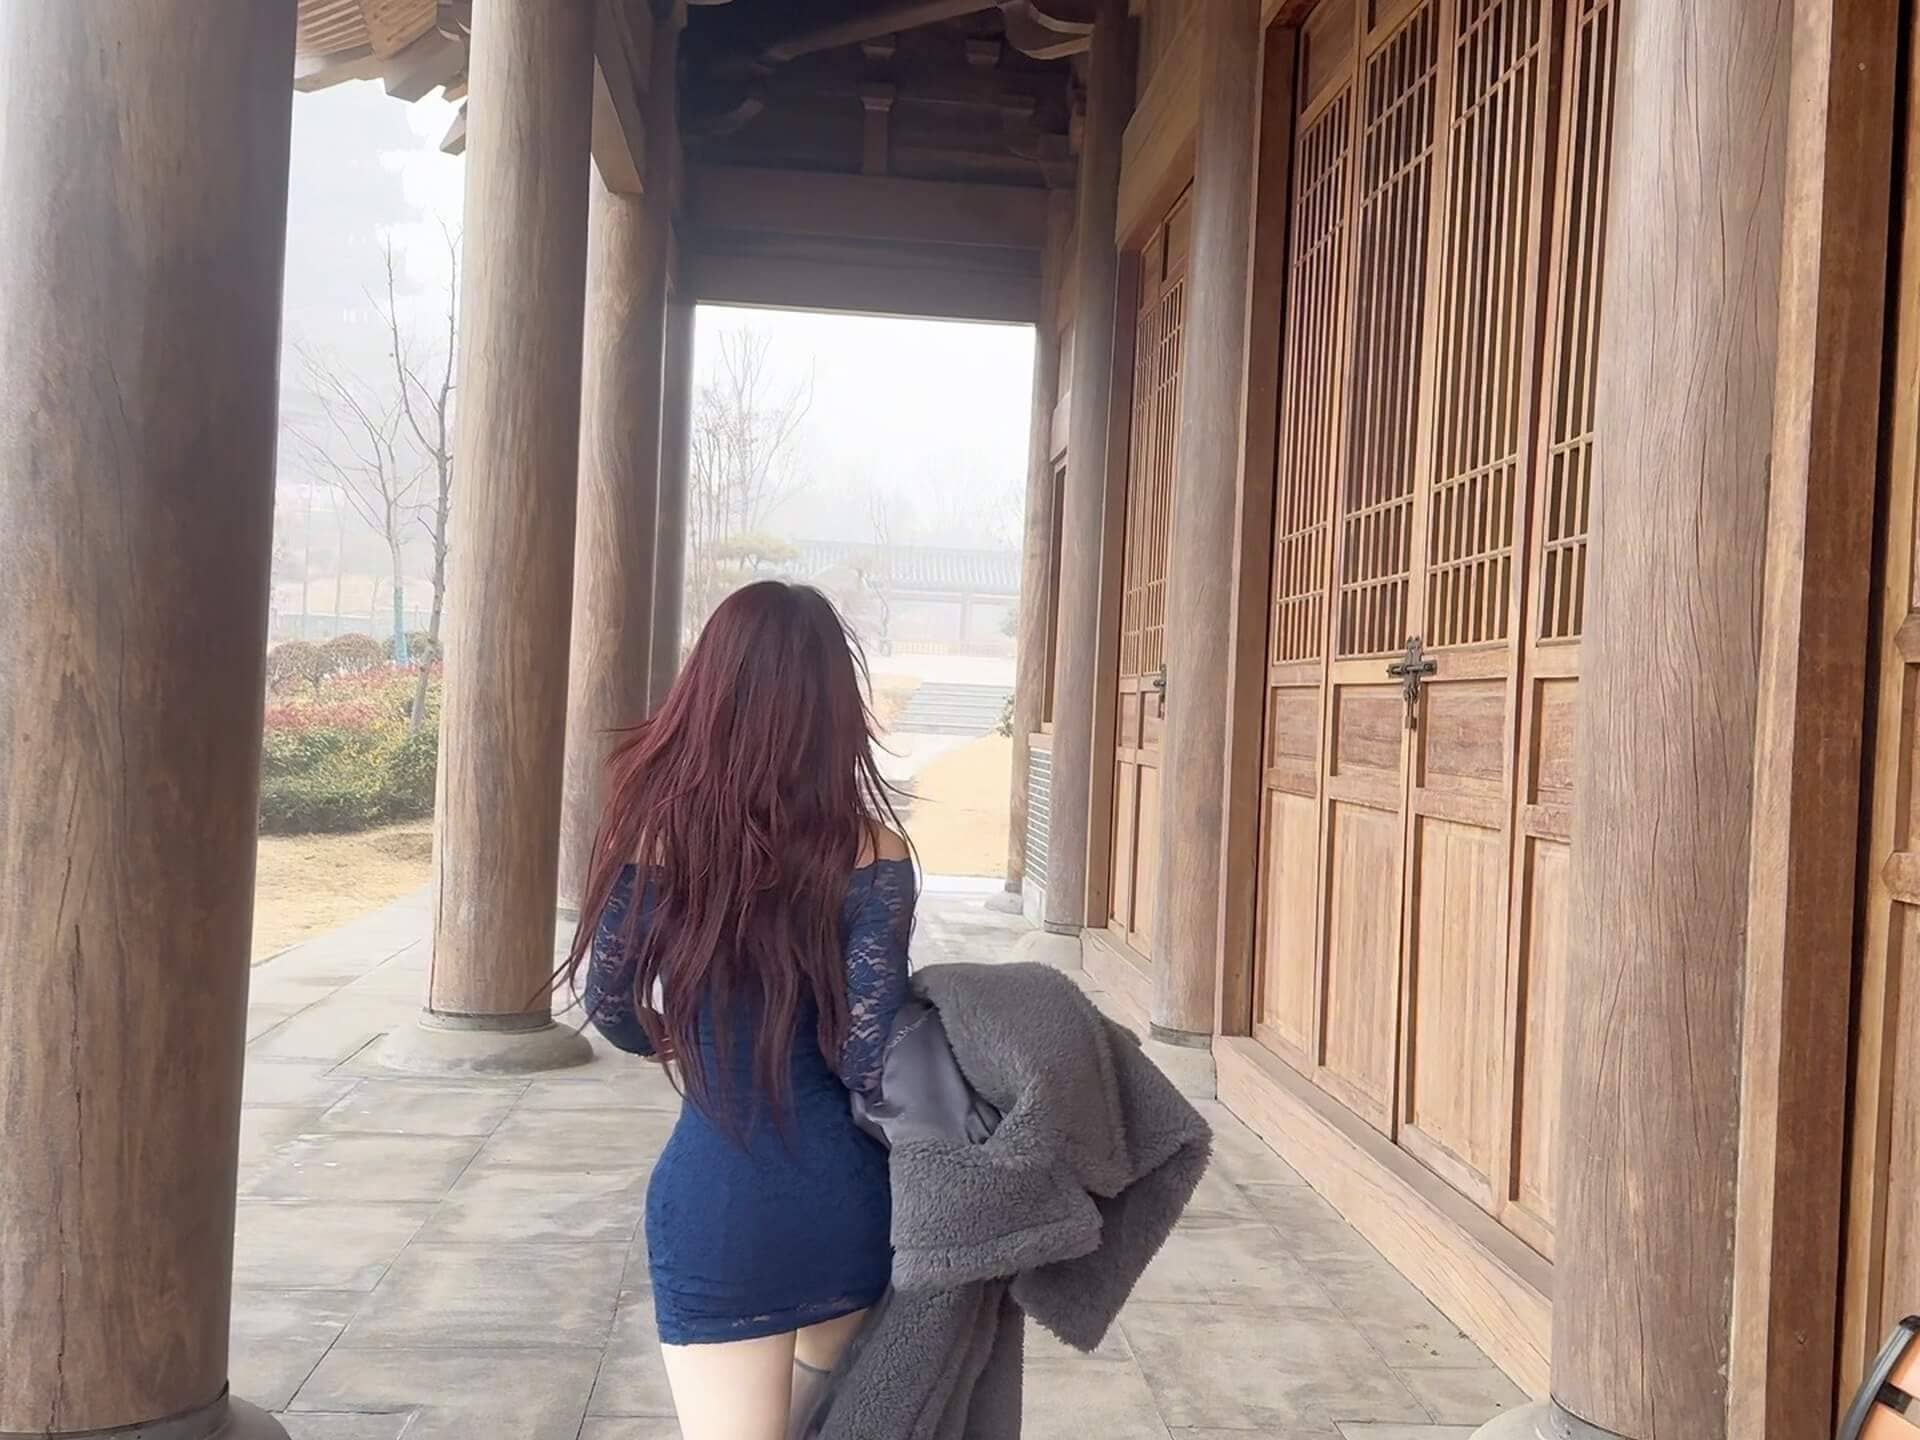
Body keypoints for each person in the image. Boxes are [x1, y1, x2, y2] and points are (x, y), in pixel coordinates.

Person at [562, 581, 915, 1440]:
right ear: (835, 706)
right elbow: (865, 1059)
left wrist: (661, 1035)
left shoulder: (656, 836)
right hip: (849, 1206)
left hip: (719, 1205)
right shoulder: (875, 849)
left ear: (707, 690)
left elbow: (608, 1001)